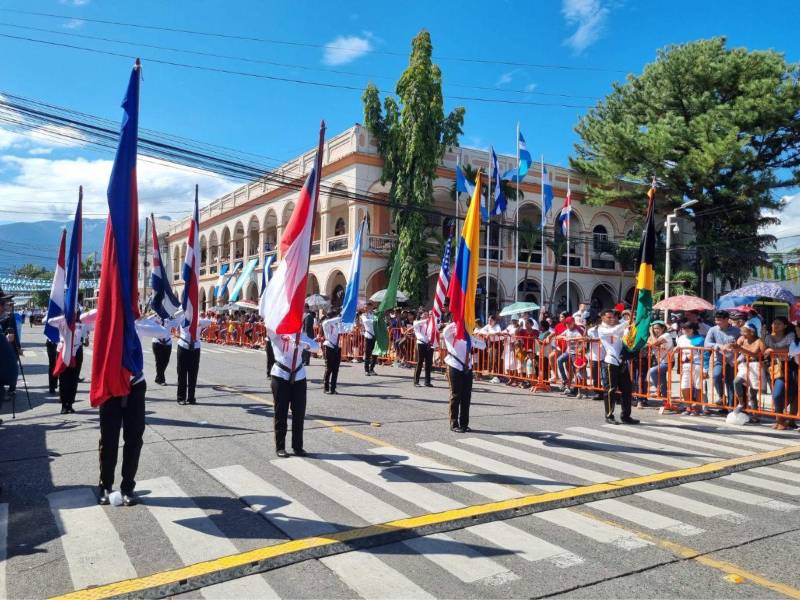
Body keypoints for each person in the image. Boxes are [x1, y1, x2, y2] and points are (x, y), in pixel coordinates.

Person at [268, 330, 320, 457]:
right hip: (280, 375)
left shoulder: (301, 335)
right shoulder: (276, 333)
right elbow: (269, 325)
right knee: (281, 412)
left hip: (299, 376)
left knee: (299, 413)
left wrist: (303, 344)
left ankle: (297, 446)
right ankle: (280, 446)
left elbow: (316, 347)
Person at [597, 308, 639, 425]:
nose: (612, 319)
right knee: (610, 390)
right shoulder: (601, 329)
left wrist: (631, 326)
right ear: (603, 318)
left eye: (614, 317)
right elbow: (615, 331)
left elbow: (625, 334)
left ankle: (626, 415)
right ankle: (609, 415)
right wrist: (627, 322)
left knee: (627, 389)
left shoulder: (618, 327)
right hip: (610, 362)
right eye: (609, 317)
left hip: (622, 362)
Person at [443, 322, 486, 432]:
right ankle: (454, 424)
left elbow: (483, 345)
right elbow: (445, 332)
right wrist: (458, 321)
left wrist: (479, 330)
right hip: (454, 365)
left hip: (467, 368)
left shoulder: (469, 337)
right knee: (455, 395)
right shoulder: (451, 335)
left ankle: (464, 424)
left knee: (466, 396)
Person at [763, 316, 796, 429]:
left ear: (785, 326)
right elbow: (763, 351)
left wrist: (773, 351)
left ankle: (786, 420)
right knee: (776, 394)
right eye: (773, 323)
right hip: (773, 368)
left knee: (789, 394)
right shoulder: (767, 337)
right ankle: (779, 419)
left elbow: (790, 349)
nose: (775, 325)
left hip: (790, 367)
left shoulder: (790, 336)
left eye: (778, 324)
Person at [704, 310, 740, 410]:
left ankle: (730, 407)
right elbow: (707, 344)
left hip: (733, 361)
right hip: (719, 359)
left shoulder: (737, 331)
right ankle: (721, 396)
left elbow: (742, 344)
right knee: (716, 375)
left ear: (727, 319)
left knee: (731, 383)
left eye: (719, 320)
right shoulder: (713, 330)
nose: (717, 322)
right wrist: (719, 346)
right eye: (716, 320)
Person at [733, 324, 766, 423]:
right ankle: (741, 403)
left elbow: (762, 354)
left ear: (752, 332)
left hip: (756, 365)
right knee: (737, 381)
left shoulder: (759, 341)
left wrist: (742, 350)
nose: (742, 334)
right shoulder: (742, 339)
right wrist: (731, 347)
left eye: (744, 332)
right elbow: (735, 347)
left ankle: (755, 415)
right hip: (744, 364)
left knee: (752, 393)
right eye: (741, 332)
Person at [176, 315, 211, 406]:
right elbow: (176, 320)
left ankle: (191, 397)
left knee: (193, 374)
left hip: (195, 346)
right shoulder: (182, 317)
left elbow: (209, 322)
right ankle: (181, 397)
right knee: (181, 373)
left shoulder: (198, 319)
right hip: (183, 346)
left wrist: (198, 322)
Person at [675, 321, 709, 414]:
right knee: (684, 386)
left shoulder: (700, 339)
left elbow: (705, 355)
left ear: (693, 329)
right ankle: (688, 407)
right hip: (685, 365)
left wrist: (705, 369)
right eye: (683, 328)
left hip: (697, 365)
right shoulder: (681, 338)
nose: (685, 330)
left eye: (688, 328)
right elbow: (679, 349)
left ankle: (697, 407)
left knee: (698, 386)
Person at [646, 321, 674, 405]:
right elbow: (648, 343)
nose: (655, 330)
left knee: (652, 371)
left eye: (657, 328)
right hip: (659, 362)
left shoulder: (666, 335)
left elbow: (653, 343)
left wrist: (651, 333)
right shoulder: (654, 336)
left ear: (663, 328)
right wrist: (652, 341)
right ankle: (666, 401)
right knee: (662, 381)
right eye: (654, 328)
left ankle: (658, 390)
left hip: (668, 362)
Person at [555, 316, 583, 396]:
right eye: (566, 324)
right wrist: (564, 337)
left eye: (569, 324)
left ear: (573, 323)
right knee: (559, 360)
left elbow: (580, 337)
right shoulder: (567, 330)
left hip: (575, 353)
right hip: (568, 352)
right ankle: (564, 380)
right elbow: (558, 336)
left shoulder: (576, 331)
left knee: (576, 371)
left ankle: (578, 390)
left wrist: (571, 338)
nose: (567, 325)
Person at [321, 310, 346, 394]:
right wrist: (339, 317)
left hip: (337, 347)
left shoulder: (337, 324)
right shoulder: (326, 323)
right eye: (334, 316)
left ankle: (333, 388)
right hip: (329, 346)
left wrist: (342, 322)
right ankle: (326, 387)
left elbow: (343, 331)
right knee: (329, 368)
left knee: (336, 369)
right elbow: (328, 322)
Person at [412, 310, 434, 387]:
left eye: (427, 314)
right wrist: (427, 320)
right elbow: (417, 324)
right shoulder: (416, 322)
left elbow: (437, 326)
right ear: (421, 315)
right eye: (424, 314)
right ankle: (416, 381)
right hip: (421, 344)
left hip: (429, 344)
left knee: (428, 363)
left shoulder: (430, 324)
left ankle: (427, 381)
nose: (426, 315)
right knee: (420, 362)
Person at [152, 317, 173, 386]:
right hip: (157, 342)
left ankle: (158, 377)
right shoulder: (155, 317)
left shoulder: (170, 317)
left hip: (168, 343)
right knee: (159, 361)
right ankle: (161, 379)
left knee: (166, 361)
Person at [361, 304, 377, 375]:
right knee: (368, 354)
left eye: (370, 306)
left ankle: (372, 369)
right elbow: (366, 321)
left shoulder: (374, 315)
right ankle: (366, 370)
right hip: (368, 336)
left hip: (375, 336)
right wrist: (374, 321)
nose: (369, 308)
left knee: (375, 353)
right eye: (367, 307)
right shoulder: (364, 315)